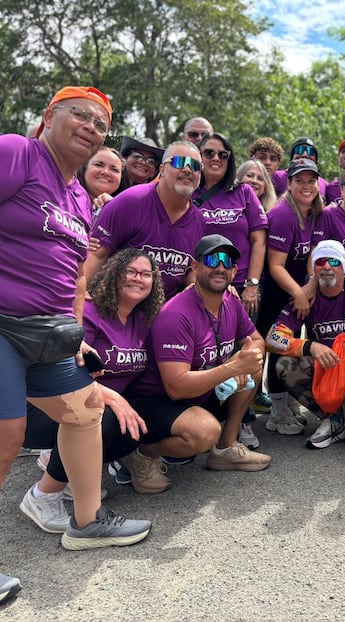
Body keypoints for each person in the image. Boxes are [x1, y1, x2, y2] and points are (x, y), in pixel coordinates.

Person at [0, 86, 151, 571]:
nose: (91, 127)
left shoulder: (81, 199)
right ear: (49, 116)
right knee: (7, 433)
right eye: (80, 115)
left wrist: (77, 335)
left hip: (48, 334)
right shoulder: (18, 153)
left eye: (101, 123)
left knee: (85, 412)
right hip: (4, 324)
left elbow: (77, 278)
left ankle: (87, 522)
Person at [20, 249, 165, 525]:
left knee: (132, 425)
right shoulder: (89, 310)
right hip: (46, 406)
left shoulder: (141, 320)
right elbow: (65, 368)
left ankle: (72, 476)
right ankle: (43, 496)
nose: (138, 278)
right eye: (130, 271)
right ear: (114, 273)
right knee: (104, 416)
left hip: (90, 403)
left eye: (146, 274)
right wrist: (113, 397)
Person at [127, 234, 271, 477]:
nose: (220, 267)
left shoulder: (231, 301)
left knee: (252, 363)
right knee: (205, 432)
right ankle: (142, 454)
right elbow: (176, 388)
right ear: (195, 267)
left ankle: (225, 449)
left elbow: (257, 341)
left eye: (227, 261)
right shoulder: (176, 314)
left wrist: (241, 361)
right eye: (212, 259)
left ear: (235, 271)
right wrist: (232, 368)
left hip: (200, 391)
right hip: (157, 401)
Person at [266, 240, 345, 448]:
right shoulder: (306, 297)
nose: (327, 267)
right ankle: (334, 418)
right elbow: (272, 338)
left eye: (334, 261)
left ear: (343, 266)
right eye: (320, 262)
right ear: (314, 268)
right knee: (284, 365)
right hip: (327, 364)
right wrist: (310, 346)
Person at [86, 141, 205, 299]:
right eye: (179, 162)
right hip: (116, 306)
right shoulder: (130, 202)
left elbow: (191, 272)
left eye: (195, 166)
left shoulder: (199, 222)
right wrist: (79, 297)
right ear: (162, 169)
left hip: (165, 310)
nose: (188, 169)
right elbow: (97, 255)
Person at [259, 158, 324, 435]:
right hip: (275, 292)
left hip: (296, 288)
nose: (306, 186)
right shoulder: (284, 214)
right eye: (300, 181)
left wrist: (310, 283)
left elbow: (312, 252)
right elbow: (275, 266)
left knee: (289, 345)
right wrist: (298, 293)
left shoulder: (314, 211)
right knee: (277, 347)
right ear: (289, 184)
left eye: (311, 180)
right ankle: (276, 414)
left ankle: (285, 403)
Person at [195, 133, 268, 318]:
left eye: (223, 155)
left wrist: (252, 285)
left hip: (243, 288)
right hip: (201, 286)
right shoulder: (188, 193)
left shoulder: (244, 192)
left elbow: (259, 241)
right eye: (209, 153)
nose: (216, 158)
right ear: (199, 157)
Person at [78, 146, 127, 215]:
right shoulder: (67, 199)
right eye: (98, 165)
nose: (105, 172)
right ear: (85, 168)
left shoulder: (124, 212)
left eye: (114, 169)